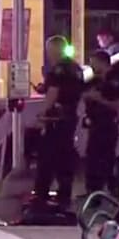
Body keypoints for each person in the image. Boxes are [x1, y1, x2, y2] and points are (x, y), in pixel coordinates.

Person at [32, 36, 84, 212]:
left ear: (54, 50)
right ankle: (64, 197)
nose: (48, 56)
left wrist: (43, 113)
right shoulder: (76, 68)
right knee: (65, 159)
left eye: (49, 52)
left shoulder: (57, 70)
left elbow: (54, 92)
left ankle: (41, 197)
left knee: (47, 158)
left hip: (55, 120)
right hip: (70, 118)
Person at [82, 50, 119, 194]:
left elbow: (117, 104)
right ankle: (93, 190)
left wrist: (98, 99)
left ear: (103, 62)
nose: (91, 66)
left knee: (106, 159)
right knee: (92, 158)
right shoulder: (95, 80)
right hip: (95, 125)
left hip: (107, 126)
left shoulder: (114, 80)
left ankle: (112, 190)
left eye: (94, 63)